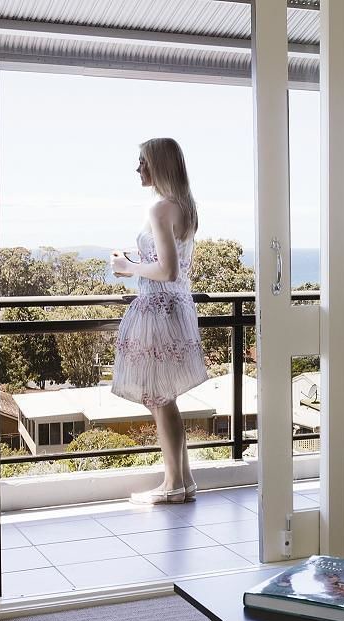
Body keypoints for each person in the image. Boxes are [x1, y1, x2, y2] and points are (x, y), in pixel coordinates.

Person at [110, 138, 208, 505]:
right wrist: (138, 261)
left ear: (158, 166)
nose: (138, 168)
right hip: (177, 307)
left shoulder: (160, 209)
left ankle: (172, 485)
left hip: (158, 308)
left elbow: (167, 271)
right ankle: (184, 481)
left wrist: (127, 267)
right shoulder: (186, 208)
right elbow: (176, 265)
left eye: (142, 162)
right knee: (165, 398)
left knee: (159, 398)